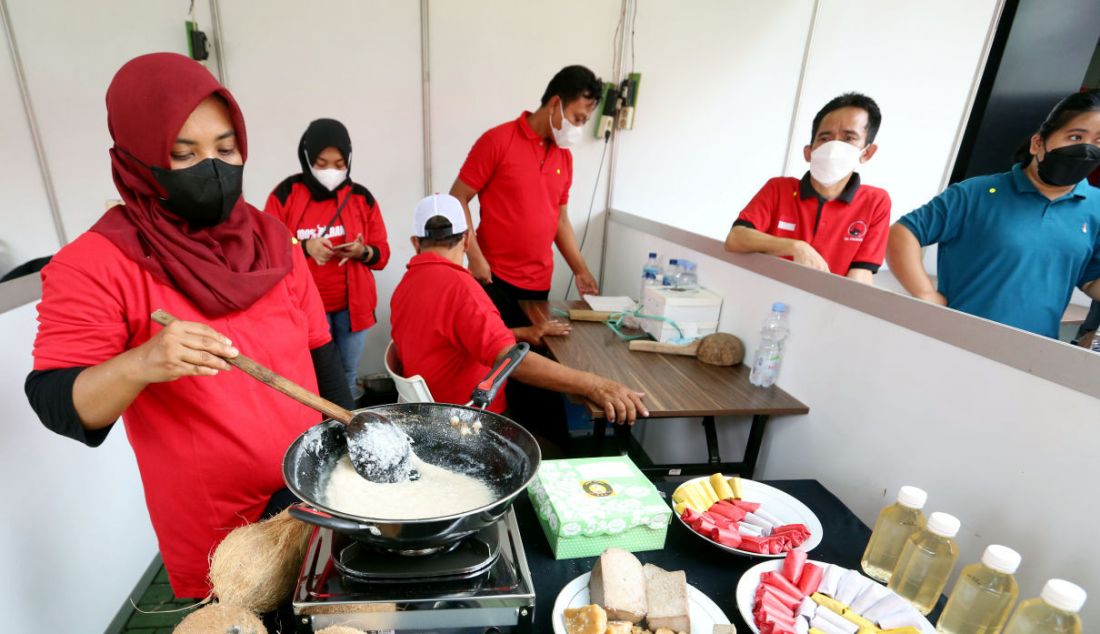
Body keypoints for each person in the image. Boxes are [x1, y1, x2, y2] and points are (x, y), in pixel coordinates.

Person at [23, 53, 350, 600]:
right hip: (224, 530)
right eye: (183, 154)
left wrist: (349, 443)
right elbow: (56, 400)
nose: (215, 168)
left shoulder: (272, 239)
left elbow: (319, 351)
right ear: (138, 159)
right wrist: (142, 362)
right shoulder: (97, 263)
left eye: (226, 149)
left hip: (312, 490)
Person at [390, 194, 648, 428]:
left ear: (415, 243)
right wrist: (596, 385)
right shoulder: (461, 289)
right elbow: (511, 361)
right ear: (467, 239)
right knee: (548, 419)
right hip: (471, 423)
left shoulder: (404, 288)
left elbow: (449, 338)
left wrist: (524, 332)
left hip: (430, 417)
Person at [887, 90, 1100, 338]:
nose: (1086, 150)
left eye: (1099, 142)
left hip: (1035, 352)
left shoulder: (1095, 207)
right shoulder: (977, 192)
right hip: (955, 340)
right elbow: (903, 233)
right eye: (1075, 137)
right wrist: (925, 294)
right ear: (1038, 143)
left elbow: (1091, 280)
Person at [450, 65, 603, 327]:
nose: (578, 129)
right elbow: (457, 198)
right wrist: (474, 257)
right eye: (577, 119)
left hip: (538, 286)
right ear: (555, 103)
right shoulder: (498, 141)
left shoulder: (564, 158)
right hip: (492, 278)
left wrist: (580, 269)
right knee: (494, 361)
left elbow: (560, 219)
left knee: (530, 359)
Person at [265, 119, 390, 398]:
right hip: (303, 310)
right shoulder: (285, 195)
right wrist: (304, 245)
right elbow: (267, 252)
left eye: (338, 163)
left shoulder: (361, 197)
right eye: (321, 163)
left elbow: (382, 255)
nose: (330, 171)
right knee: (309, 379)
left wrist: (362, 252)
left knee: (346, 375)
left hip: (352, 311)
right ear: (307, 158)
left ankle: (343, 434)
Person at [725, 93, 891, 285]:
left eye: (848, 138)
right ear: (809, 152)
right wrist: (796, 247)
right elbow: (736, 238)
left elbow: (861, 275)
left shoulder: (875, 202)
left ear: (867, 153)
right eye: (825, 138)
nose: (834, 147)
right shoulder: (779, 189)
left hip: (828, 303)